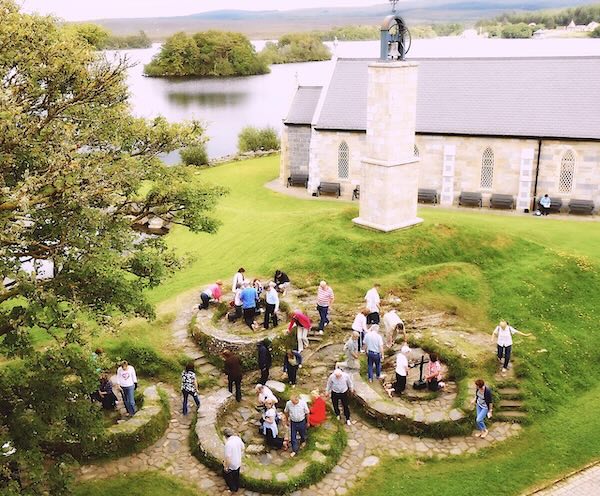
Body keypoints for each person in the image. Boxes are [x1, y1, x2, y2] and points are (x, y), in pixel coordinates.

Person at [223, 427, 245, 492]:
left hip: (232, 464)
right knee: (236, 476)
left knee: (228, 477)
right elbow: (243, 448)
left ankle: (232, 489)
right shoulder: (238, 439)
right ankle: (236, 488)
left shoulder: (228, 444)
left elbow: (228, 458)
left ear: (225, 436)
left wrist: (226, 467)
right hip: (238, 461)